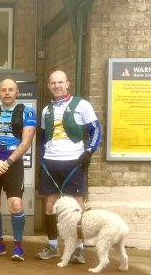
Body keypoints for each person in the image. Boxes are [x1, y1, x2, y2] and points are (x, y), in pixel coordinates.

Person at [36, 70, 101, 264]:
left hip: (74, 162)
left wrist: (89, 151)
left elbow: (96, 129)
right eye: (53, 83)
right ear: (49, 86)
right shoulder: (46, 110)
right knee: (49, 206)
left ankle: (79, 249)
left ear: (67, 84)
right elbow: (42, 136)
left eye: (60, 82)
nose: (56, 86)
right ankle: (53, 245)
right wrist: (42, 157)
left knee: (77, 208)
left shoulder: (82, 105)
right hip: (51, 163)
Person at [0, 78, 36, 261]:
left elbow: (26, 142)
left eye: (11, 89)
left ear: (17, 92)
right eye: (3, 89)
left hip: (13, 162)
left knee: (15, 204)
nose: (7, 92)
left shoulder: (27, 111)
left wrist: (8, 162)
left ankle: (18, 247)